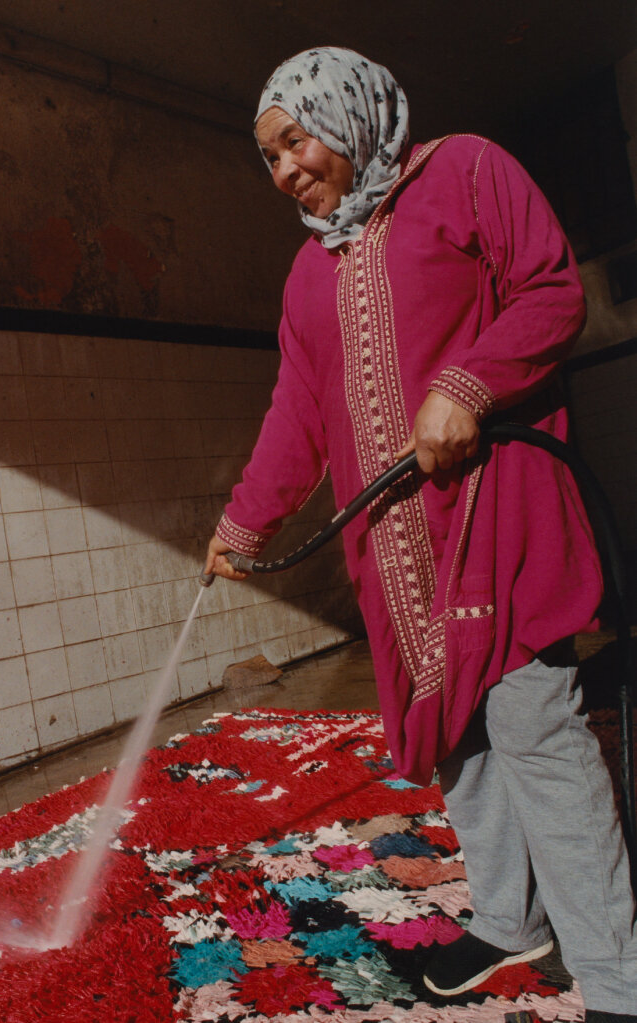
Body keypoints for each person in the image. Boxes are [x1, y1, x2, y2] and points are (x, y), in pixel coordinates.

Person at [204, 46, 637, 1021]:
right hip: (392, 552)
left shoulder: (464, 171)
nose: (283, 172)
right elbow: (297, 415)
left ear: (345, 113)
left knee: (530, 726)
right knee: (455, 733)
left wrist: (463, 387)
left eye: (293, 141)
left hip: (496, 512)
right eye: (267, 158)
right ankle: (505, 918)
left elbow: (549, 291)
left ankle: (612, 974)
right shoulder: (305, 273)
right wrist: (244, 518)